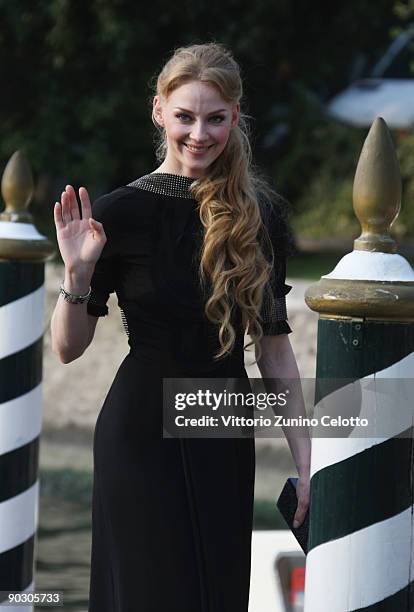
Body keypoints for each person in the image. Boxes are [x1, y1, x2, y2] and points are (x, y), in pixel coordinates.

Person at [50, 42, 310, 612]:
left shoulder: (259, 215)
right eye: (185, 116)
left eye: (215, 118)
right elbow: (68, 349)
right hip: (140, 431)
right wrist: (79, 272)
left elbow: (275, 354)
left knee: (214, 595)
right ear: (158, 112)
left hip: (223, 425)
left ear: (235, 117)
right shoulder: (118, 214)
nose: (200, 134)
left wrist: (307, 462)